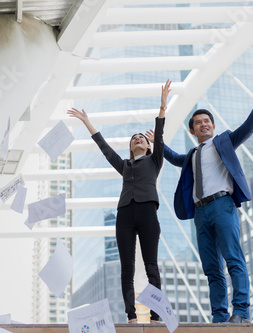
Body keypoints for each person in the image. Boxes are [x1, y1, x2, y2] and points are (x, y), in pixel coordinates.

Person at [146, 70, 253, 323]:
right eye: (198, 123)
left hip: (223, 205)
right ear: (192, 131)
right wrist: (157, 142)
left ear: (213, 126)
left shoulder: (225, 141)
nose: (204, 124)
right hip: (200, 213)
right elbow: (173, 158)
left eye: (207, 121)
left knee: (233, 259)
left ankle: (241, 312)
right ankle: (219, 316)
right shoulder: (192, 155)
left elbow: (250, 126)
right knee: (211, 269)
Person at [67, 79, 172, 324]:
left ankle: (155, 316)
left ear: (148, 146)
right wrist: (87, 122)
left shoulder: (155, 160)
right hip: (124, 215)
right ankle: (132, 316)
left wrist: (162, 106)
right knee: (127, 267)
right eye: (133, 138)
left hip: (147, 212)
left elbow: (160, 135)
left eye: (141, 138)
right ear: (129, 147)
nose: (138, 138)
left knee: (151, 266)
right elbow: (104, 148)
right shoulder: (124, 165)